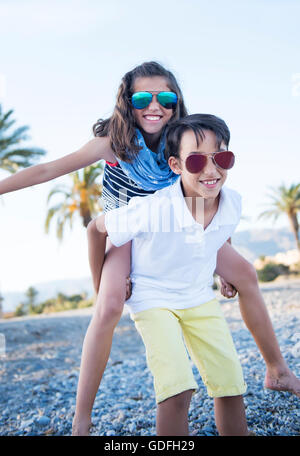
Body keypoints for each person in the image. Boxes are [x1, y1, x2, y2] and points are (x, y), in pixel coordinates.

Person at [0, 62, 298, 437]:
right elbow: (48, 171)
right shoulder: (113, 141)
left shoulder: (183, 139)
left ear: (177, 102)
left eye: (166, 97)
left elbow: (210, 199)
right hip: (126, 227)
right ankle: (81, 417)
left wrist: (222, 257)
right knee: (108, 306)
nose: (154, 105)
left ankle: (277, 370)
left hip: (175, 222)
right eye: (142, 97)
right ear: (127, 101)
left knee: (247, 274)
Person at [94, 113, 250, 435]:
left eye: (221, 157)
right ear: (176, 166)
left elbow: (218, 234)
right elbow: (95, 229)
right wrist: (102, 286)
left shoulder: (232, 203)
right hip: (152, 298)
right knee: (177, 387)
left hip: (197, 295)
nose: (211, 170)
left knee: (231, 381)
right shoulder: (153, 208)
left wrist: (224, 275)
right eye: (195, 161)